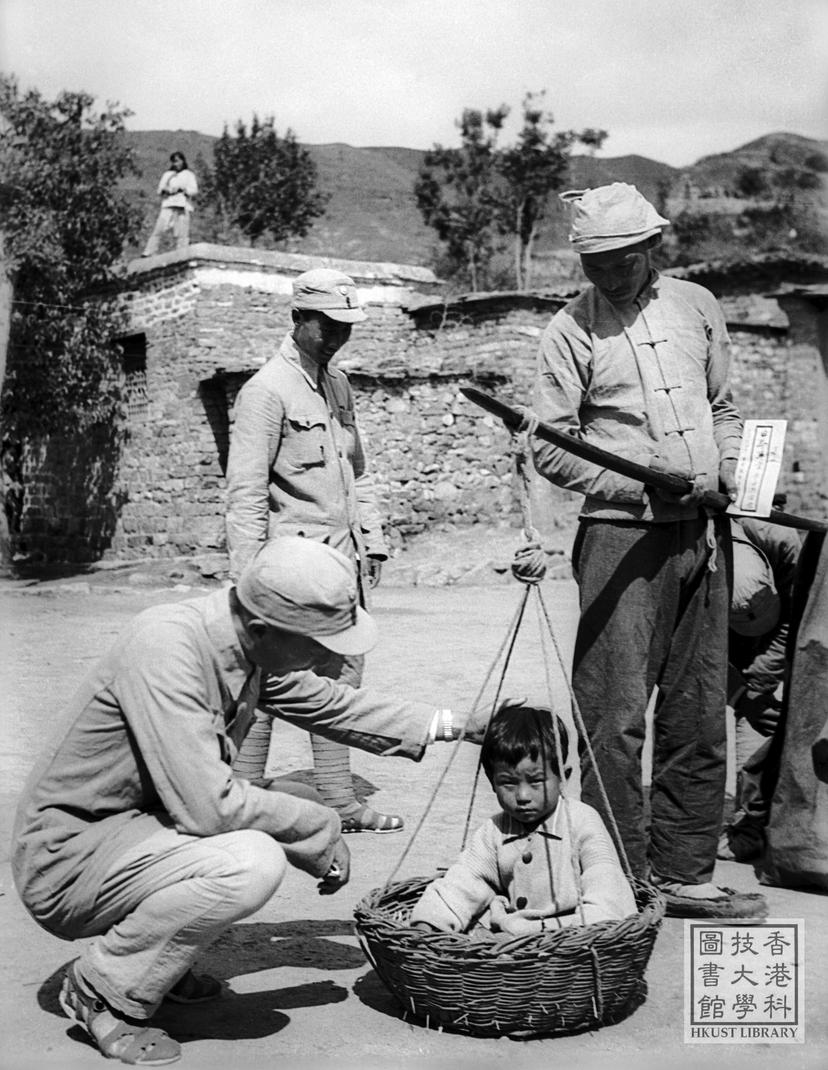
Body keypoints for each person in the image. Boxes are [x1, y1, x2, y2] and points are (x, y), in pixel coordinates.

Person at [12, 536, 470, 1066]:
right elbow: (208, 808)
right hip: (67, 861)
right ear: (262, 629)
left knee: (285, 802)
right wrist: (319, 826)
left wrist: (461, 724)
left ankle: (164, 966)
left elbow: (331, 704)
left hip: (131, 832)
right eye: (320, 644)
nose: (328, 658)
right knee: (251, 861)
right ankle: (101, 989)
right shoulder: (168, 648)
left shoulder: (244, 644)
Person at [530, 181, 767, 919]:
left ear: (651, 247)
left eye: (622, 258)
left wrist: (730, 474)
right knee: (612, 713)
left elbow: (724, 409)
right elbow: (550, 445)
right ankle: (616, 879)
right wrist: (637, 487)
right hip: (618, 539)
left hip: (701, 535)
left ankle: (684, 870)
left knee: (698, 709)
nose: (609, 273)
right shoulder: (568, 332)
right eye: (595, 262)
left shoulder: (698, 306)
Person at [225, 268, 400, 834]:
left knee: (341, 677)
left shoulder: (339, 386)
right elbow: (245, 494)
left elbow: (359, 473)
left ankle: (340, 802)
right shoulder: (264, 391)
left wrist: (371, 539)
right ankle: (244, 803)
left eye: (347, 326)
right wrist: (248, 582)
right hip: (288, 572)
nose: (338, 336)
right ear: (298, 318)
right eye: (328, 325)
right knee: (270, 683)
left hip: (342, 567)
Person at [410, 702, 636, 937]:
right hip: (511, 941)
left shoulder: (581, 822)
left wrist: (532, 933)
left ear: (563, 777)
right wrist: (429, 921)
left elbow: (607, 894)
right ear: (492, 782)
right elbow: (465, 879)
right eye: (508, 783)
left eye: (536, 781)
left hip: (575, 935)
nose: (523, 796)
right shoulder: (495, 830)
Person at [719, 516, 801, 862]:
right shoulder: (684, 551)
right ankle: (748, 822)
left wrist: (758, 684)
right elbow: (682, 650)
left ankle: (761, 820)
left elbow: (793, 622)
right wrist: (740, 694)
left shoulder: (784, 545)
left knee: (773, 711)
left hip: (783, 610)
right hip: (711, 615)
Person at [142, 151, 198, 257]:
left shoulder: (189, 175)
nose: (176, 164)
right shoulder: (168, 175)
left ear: (183, 161)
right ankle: (150, 251)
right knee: (159, 228)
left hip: (182, 205)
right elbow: (160, 189)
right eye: (174, 162)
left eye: (178, 161)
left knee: (182, 231)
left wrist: (183, 190)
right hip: (169, 204)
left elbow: (194, 190)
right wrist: (167, 190)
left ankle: (181, 252)